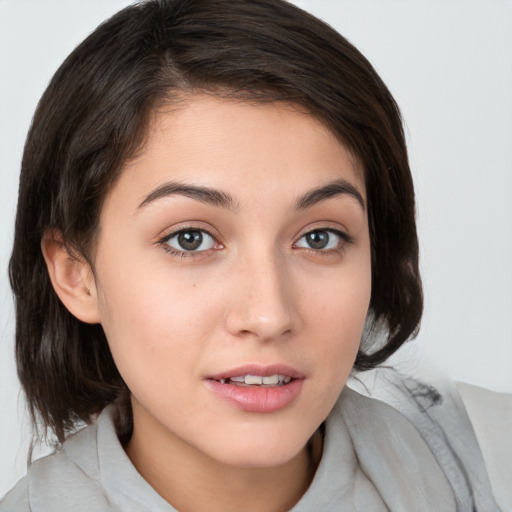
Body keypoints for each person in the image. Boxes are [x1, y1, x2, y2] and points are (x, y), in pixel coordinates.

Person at [1, 0, 510, 510]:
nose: (269, 315)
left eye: (319, 237)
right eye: (190, 239)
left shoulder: (492, 461)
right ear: (76, 274)